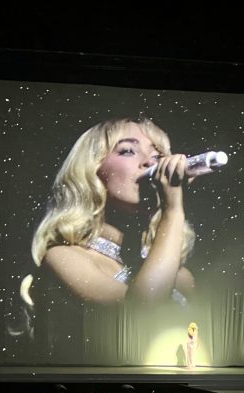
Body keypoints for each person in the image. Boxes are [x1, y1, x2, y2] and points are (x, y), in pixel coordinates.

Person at [16, 118, 196, 363]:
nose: (149, 162)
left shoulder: (181, 276)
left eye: (157, 156)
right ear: (92, 169)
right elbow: (143, 311)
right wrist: (173, 211)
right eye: (128, 151)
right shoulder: (64, 258)